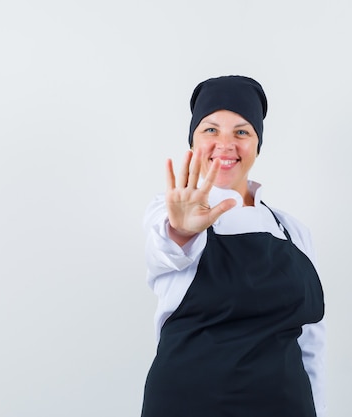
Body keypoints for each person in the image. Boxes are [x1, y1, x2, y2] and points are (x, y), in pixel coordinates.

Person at [140, 75, 326, 417]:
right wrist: (181, 230)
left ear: (257, 144)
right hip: (187, 405)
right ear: (193, 141)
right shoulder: (168, 211)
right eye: (210, 130)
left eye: (242, 132)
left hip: (286, 405)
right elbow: (163, 252)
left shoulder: (293, 231)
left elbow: (311, 341)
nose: (225, 144)